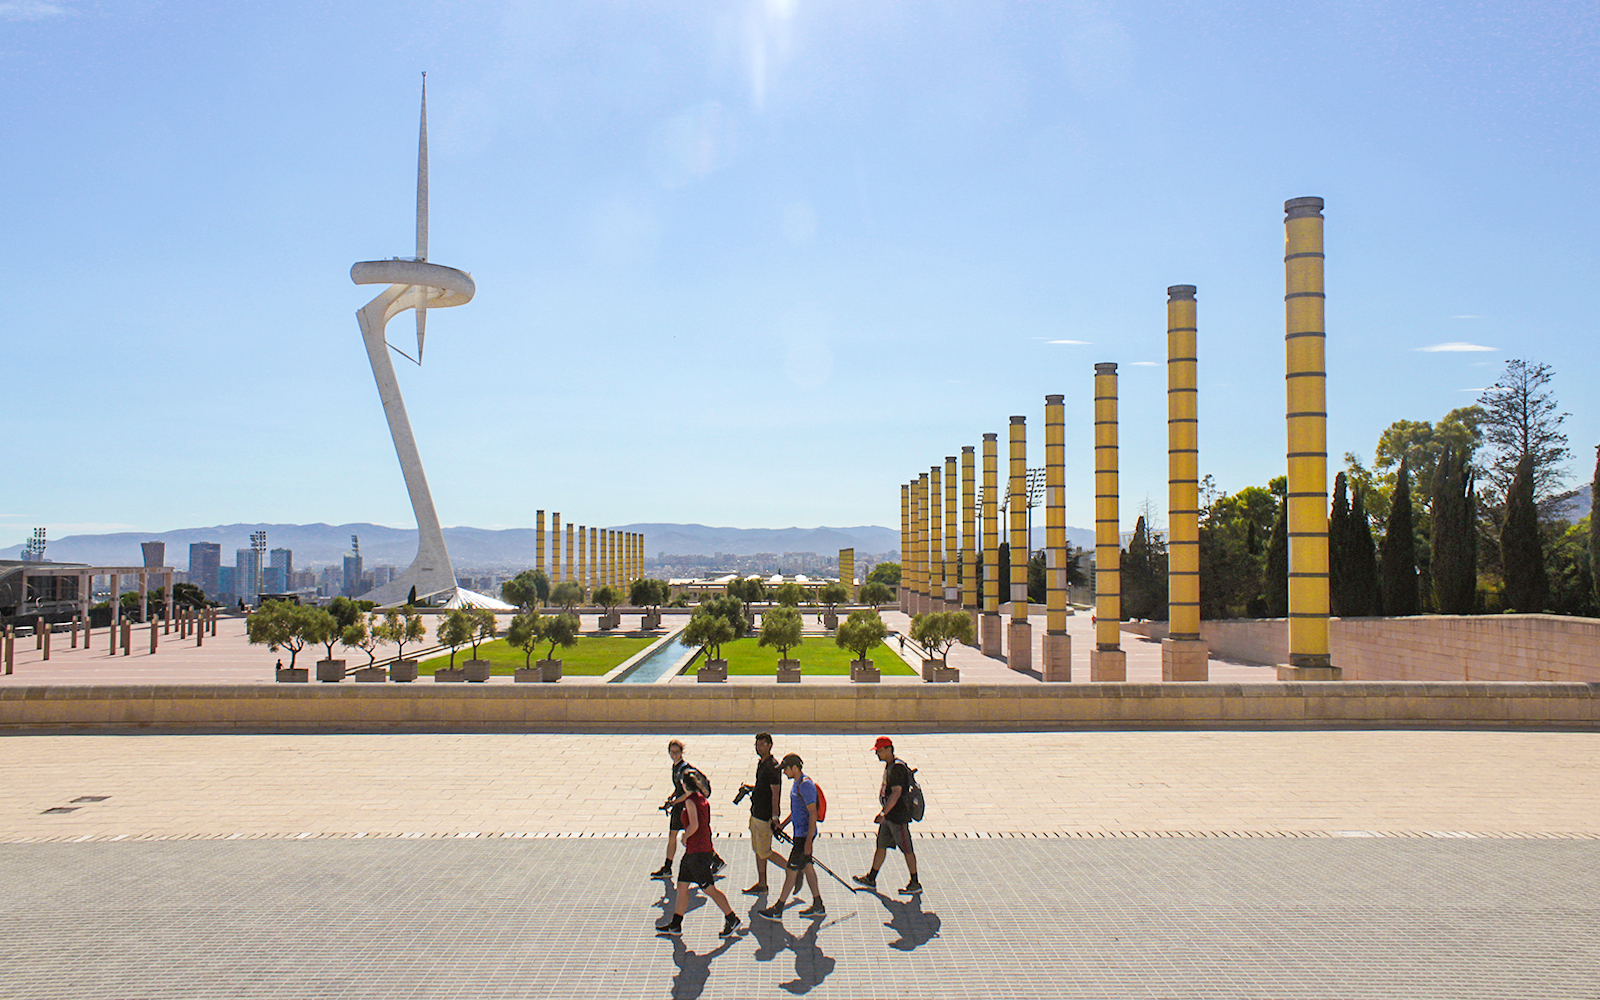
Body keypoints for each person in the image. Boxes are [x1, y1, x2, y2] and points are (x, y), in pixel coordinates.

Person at [656, 769, 741, 938]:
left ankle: (732, 918)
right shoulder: (701, 798)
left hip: (698, 852)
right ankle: (676, 924)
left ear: (684, 784)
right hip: (697, 851)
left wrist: (685, 836)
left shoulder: (690, 801)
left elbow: (694, 825)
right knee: (682, 886)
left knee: (709, 888)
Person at [758, 753, 824, 919]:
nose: (784, 772)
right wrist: (783, 825)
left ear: (795, 768)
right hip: (800, 834)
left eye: (786, 769)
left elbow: (813, 813)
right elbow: (796, 811)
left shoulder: (805, 785)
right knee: (808, 868)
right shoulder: (796, 784)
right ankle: (818, 904)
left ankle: (779, 908)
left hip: (804, 836)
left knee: (791, 870)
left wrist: (808, 841)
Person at [853, 736, 921, 893]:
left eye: (879, 751)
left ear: (888, 750)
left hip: (897, 817)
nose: (877, 754)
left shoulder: (897, 768)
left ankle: (915, 882)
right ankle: (871, 878)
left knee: (907, 849)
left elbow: (896, 793)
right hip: (889, 817)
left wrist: (884, 812)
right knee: (881, 845)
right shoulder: (891, 765)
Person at [651, 739, 702, 878]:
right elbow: (679, 788)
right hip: (680, 807)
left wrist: (674, 803)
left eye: (677, 752)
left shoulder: (684, 769)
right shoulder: (676, 767)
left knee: (689, 836)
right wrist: (672, 797)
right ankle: (667, 867)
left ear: (681, 752)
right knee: (674, 836)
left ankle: (713, 859)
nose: (674, 755)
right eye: (672, 752)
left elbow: (687, 792)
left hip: (685, 808)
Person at [745, 732, 783, 894]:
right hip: (756, 813)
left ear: (770, 745)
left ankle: (794, 871)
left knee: (765, 851)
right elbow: (763, 787)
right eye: (757, 745)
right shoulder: (762, 763)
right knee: (759, 850)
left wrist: (775, 818)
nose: (758, 748)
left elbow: (776, 793)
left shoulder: (773, 766)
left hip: (764, 815)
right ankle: (762, 884)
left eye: (761, 744)